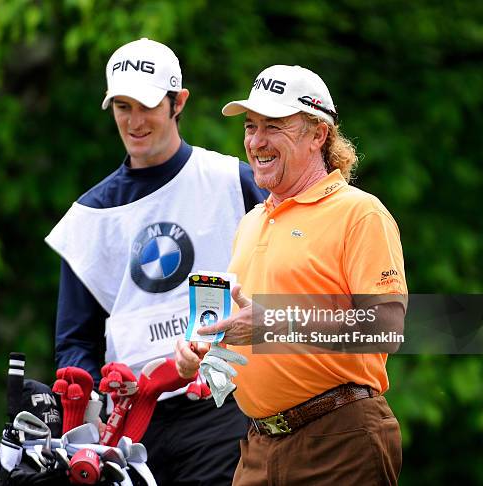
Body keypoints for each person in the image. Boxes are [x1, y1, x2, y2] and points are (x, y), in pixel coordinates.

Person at [45, 38, 267, 485]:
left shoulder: (235, 182)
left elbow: (282, 284)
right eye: (122, 106)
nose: (134, 120)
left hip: (223, 405)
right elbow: (74, 342)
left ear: (178, 102)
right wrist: (87, 390)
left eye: (146, 105)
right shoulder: (90, 218)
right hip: (130, 424)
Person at [176, 65, 407, 485]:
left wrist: (272, 324)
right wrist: (203, 349)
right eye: (250, 126)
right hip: (258, 446)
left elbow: (387, 326)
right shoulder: (250, 222)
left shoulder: (360, 212)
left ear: (319, 134)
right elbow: (250, 328)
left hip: (340, 438)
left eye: (274, 126)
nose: (256, 141)